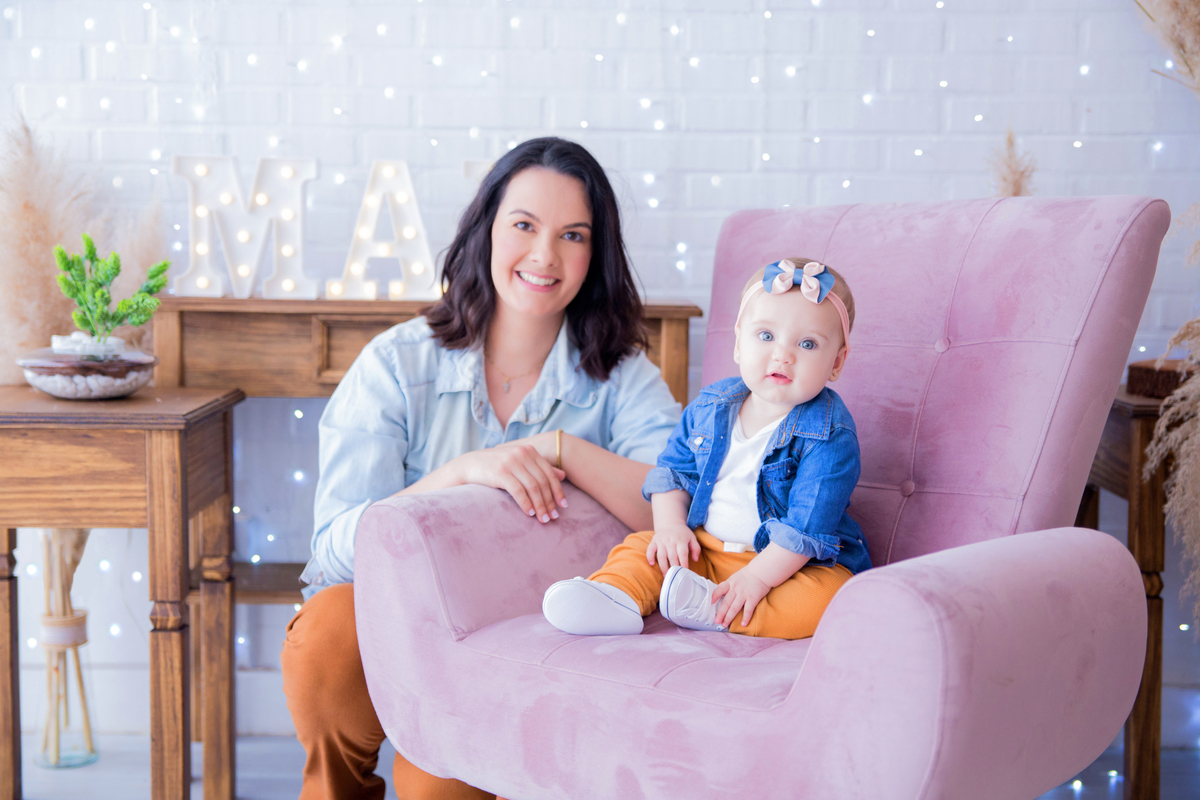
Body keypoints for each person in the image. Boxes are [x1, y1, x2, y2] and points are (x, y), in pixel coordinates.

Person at [281, 137, 682, 800]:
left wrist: (564, 449)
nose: (544, 256)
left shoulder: (625, 380)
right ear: (486, 230)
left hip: (528, 645)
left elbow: (675, 514)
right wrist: (458, 475)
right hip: (401, 625)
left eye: (573, 235)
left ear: (596, 254)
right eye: (524, 225)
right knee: (326, 631)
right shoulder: (395, 365)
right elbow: (331, 552)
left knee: (435, 785)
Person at [542, 258, 872, 640]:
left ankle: (719, 611)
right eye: (766, 336)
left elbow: (805, 529)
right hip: (707, 551)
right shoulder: (712, 406)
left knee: (826, 599)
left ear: (837, 362)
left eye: (808, 343)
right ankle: (614, 595)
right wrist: (669, 528)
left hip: (791, 567)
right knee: (645, 547)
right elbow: (673, 472)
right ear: (737, 342)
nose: (783, 355)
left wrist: (756, 578)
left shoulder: (831, 435)